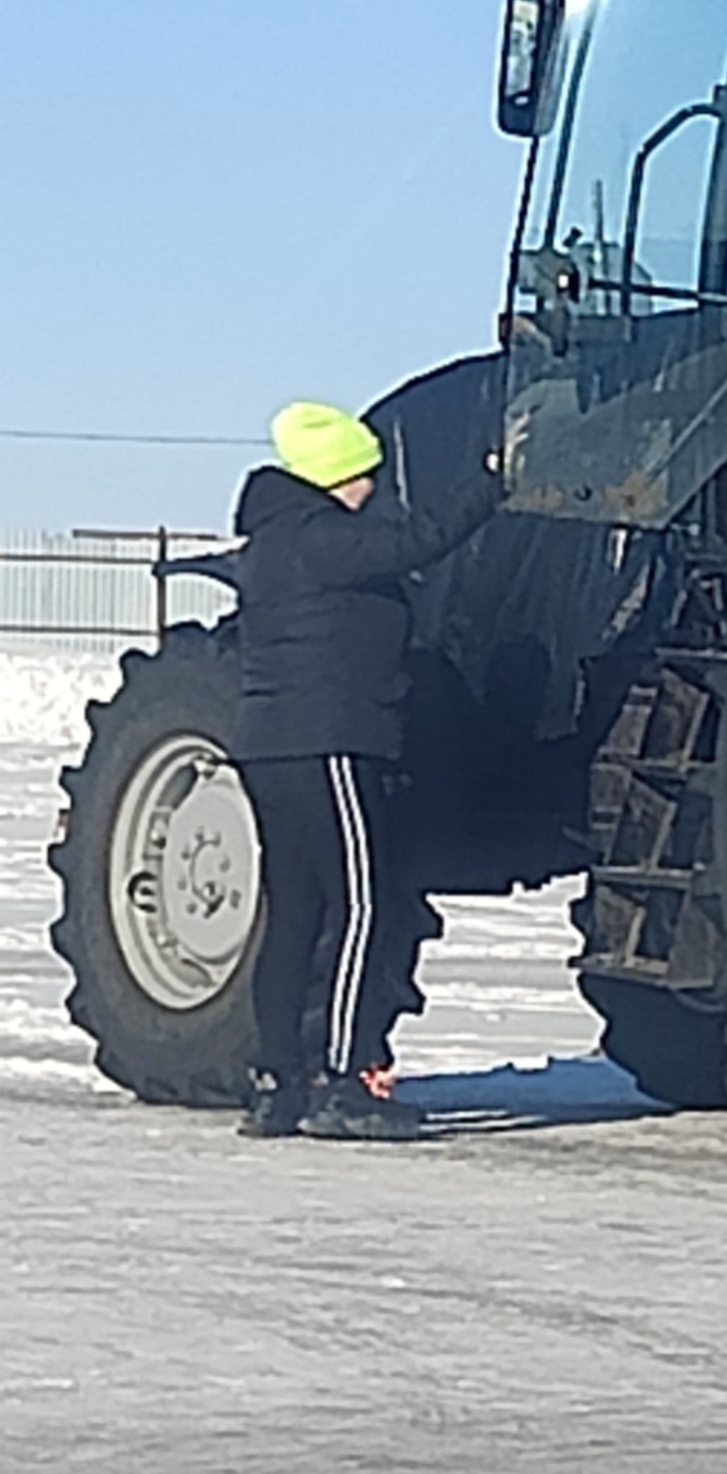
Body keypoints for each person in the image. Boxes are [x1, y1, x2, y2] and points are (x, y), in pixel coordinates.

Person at [230, 399, 501, 1141]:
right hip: (331, 744)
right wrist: (492, 482)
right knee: (360, 905)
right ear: (335, 475)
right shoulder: (320, 539)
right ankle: (345, 1080)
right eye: (365, 476)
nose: (373, 490)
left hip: (268, 748)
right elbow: (422, 541)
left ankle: (275, 1082)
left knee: (294, 914)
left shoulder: (270, 542)